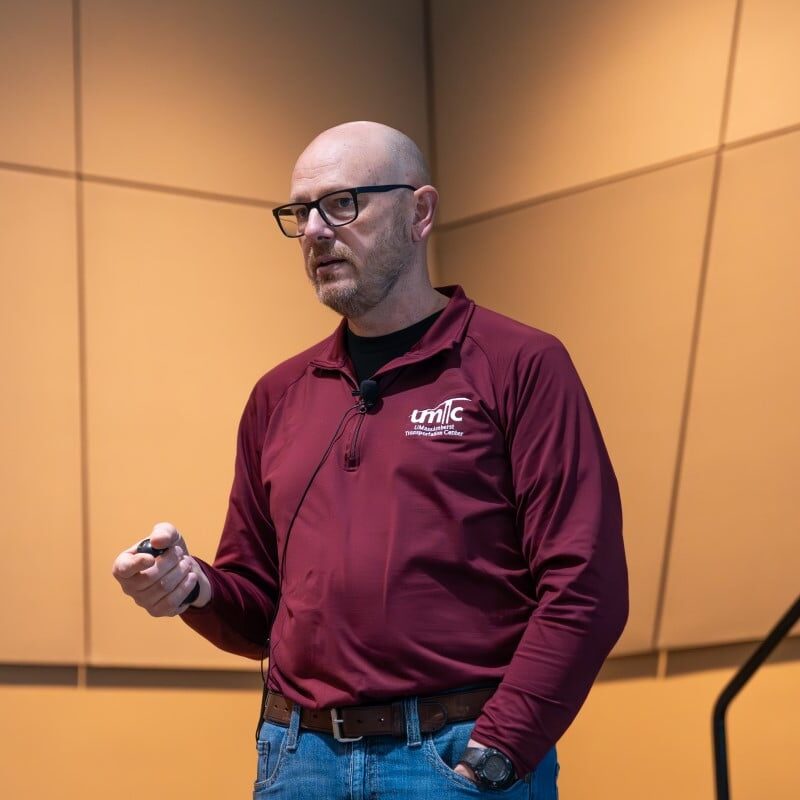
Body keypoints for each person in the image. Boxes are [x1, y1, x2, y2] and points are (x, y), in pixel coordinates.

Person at [112, 120, 628, 798]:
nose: (317, 231)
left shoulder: (520, 364)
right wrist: (192, 588)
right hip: (298, 759)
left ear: (420, 212)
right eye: (301, 212)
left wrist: (500, 750)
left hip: (456, 758)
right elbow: (260, 606)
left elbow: (585, 586)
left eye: (343, 203)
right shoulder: (279, 396)